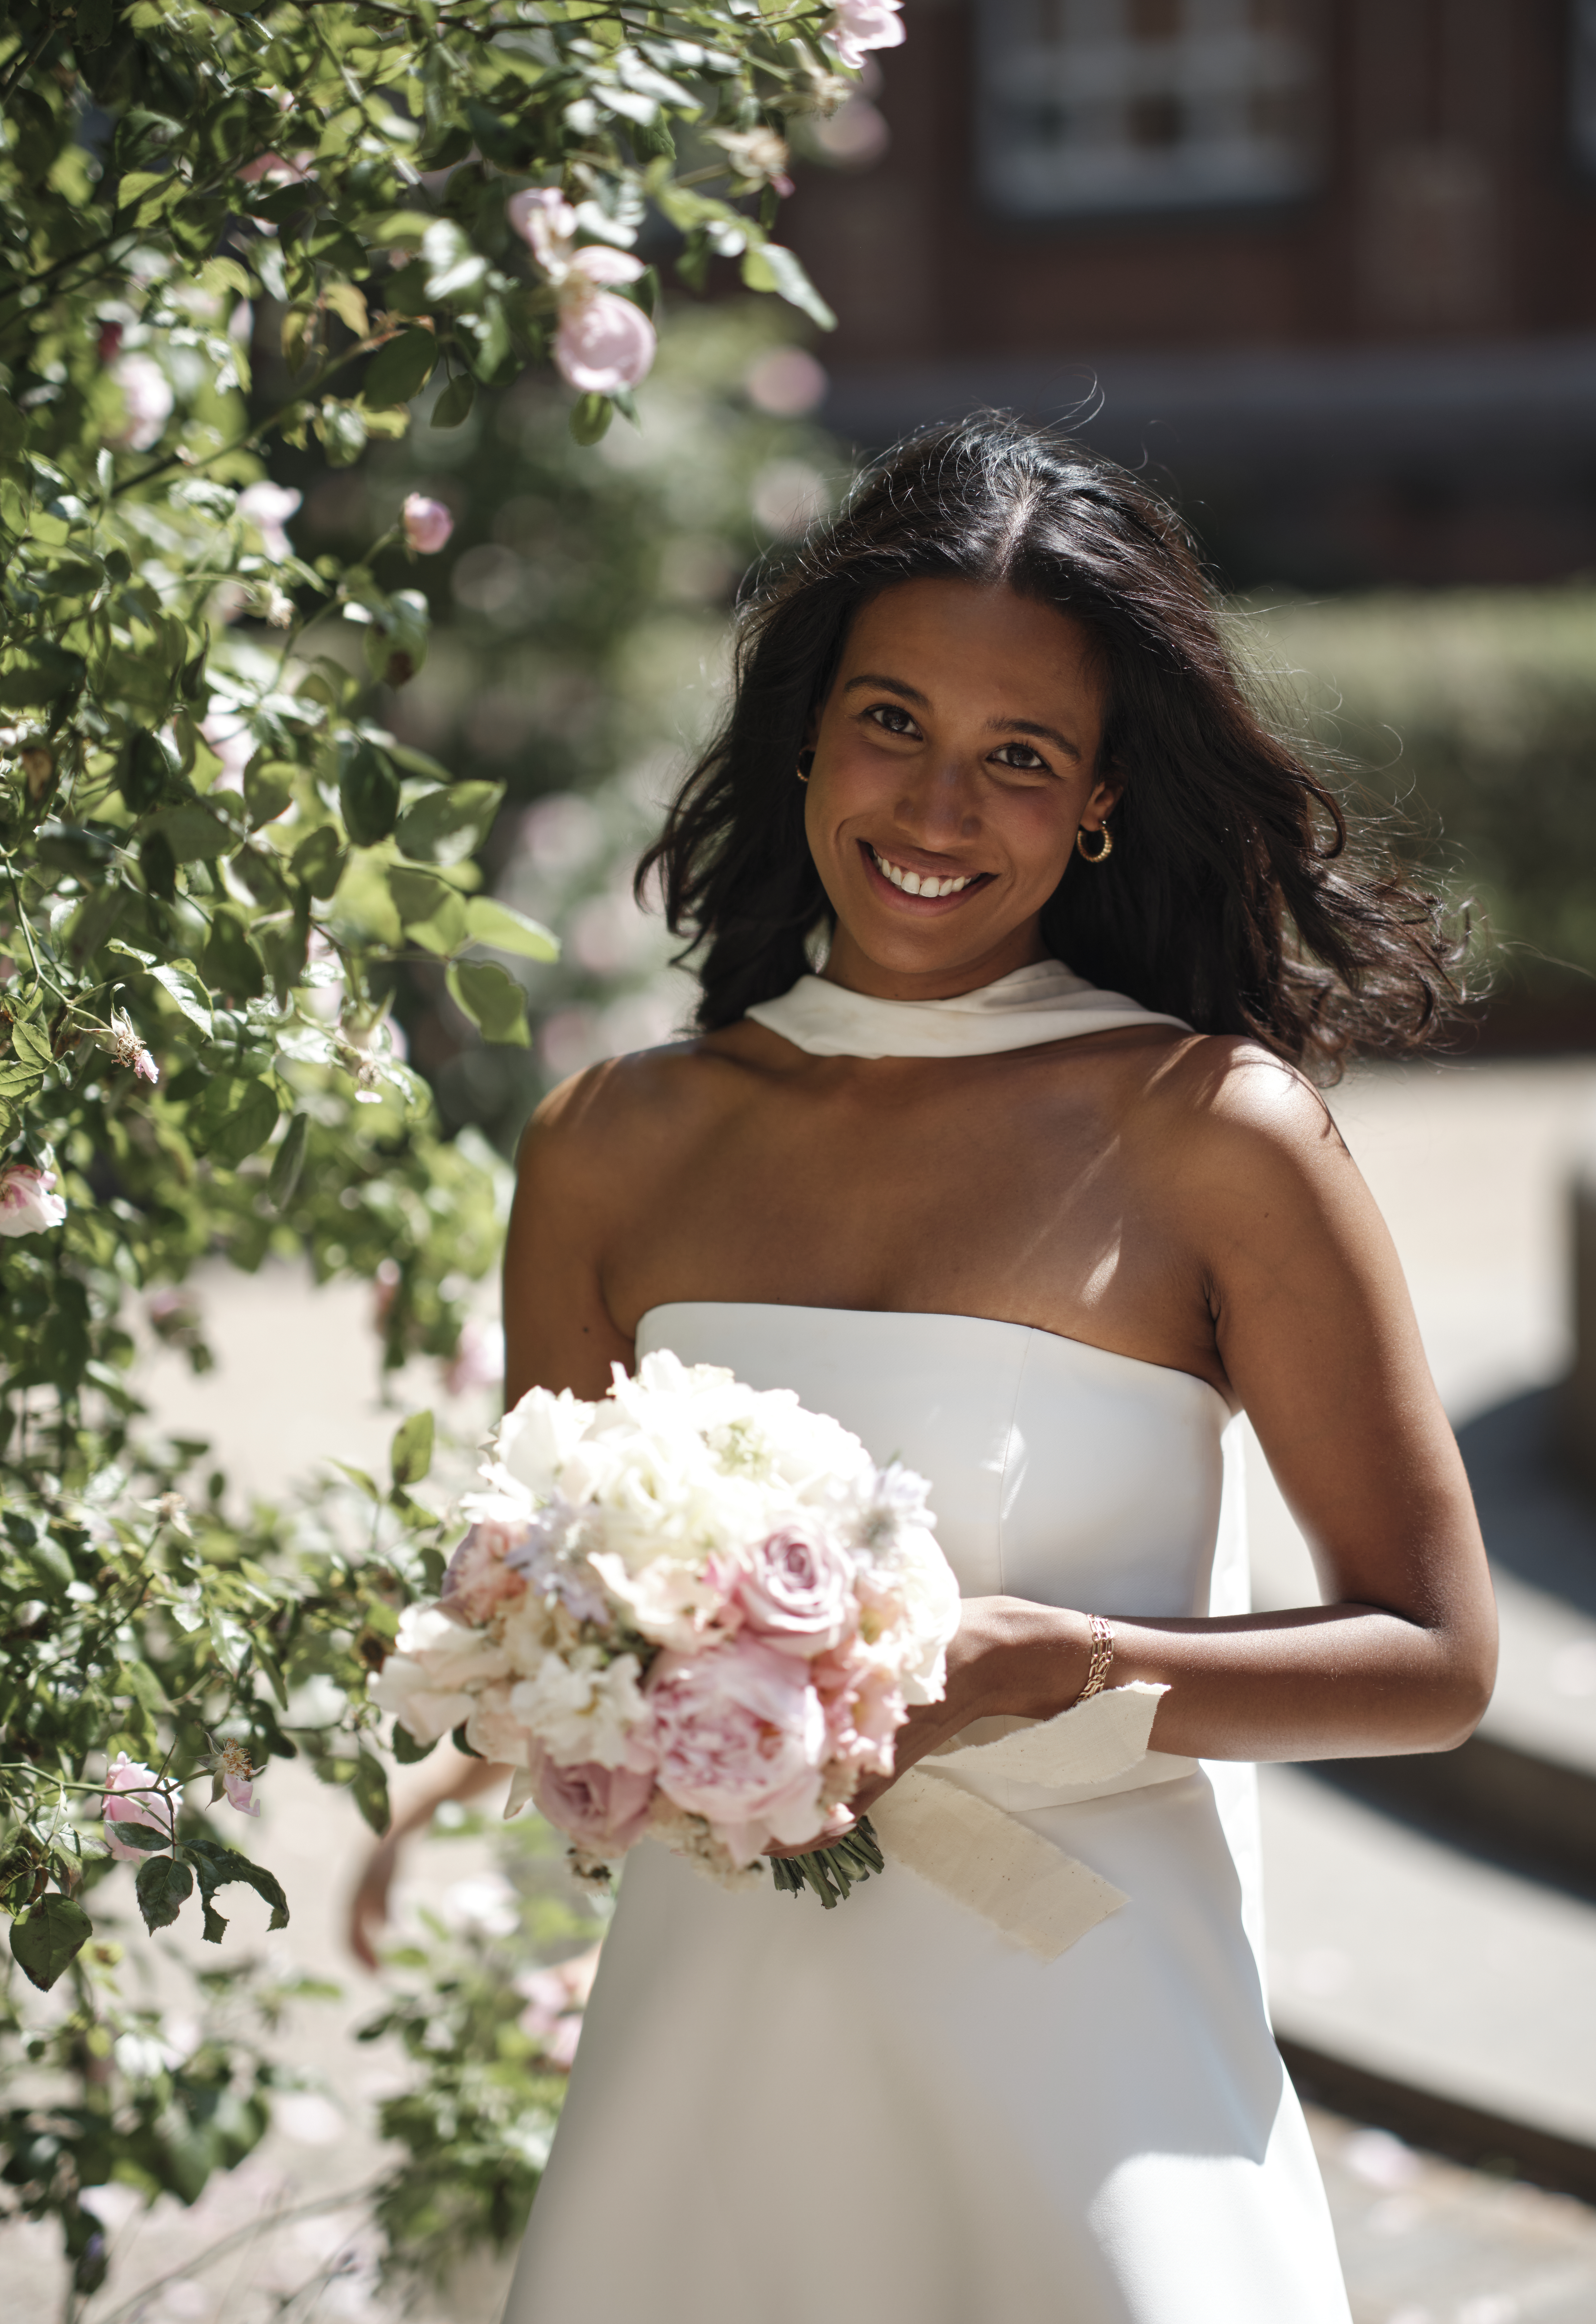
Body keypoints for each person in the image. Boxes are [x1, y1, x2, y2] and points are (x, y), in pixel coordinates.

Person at [490, 415, 1497, 2323]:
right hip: (715, 2064)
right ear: (808, 731)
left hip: (1093, 2052)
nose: (939, 808)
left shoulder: (1217, 1132)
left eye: (1019, 757)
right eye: (893, 723)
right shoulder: (612, 1146)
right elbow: (553, 1643)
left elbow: (1437, 1664)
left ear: (1103, 800)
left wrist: (1068, 1668)